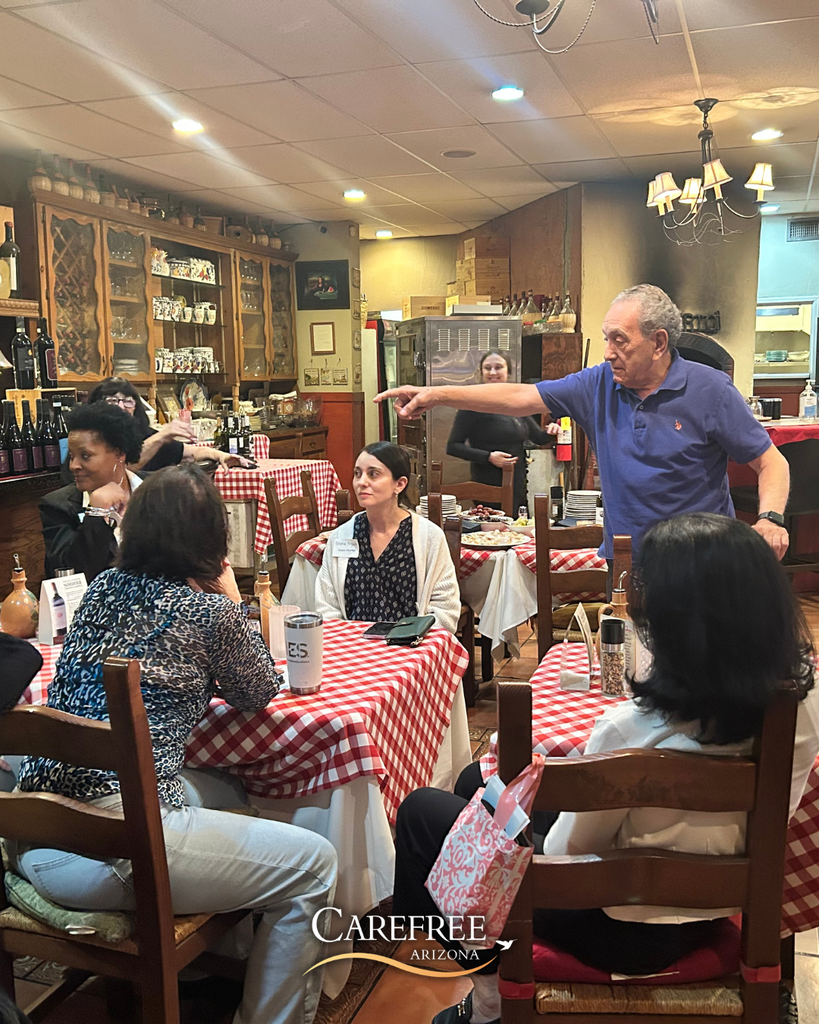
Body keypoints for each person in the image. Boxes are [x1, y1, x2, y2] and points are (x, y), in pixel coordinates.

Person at [393, 513, 819, 1024]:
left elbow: (566, 852)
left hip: (619, 932)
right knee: (474, 786)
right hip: (718, 906)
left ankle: (489, 995)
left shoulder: (629, 731)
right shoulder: (802, 706)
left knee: (421, 812)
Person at [16, 464, 338, 1024]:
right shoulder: (207, 611)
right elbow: (259, 690)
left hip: (35, 833)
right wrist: (231, 595)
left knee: (225, 787)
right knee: (314, 864)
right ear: (213, 539)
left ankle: (208, 960)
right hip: (108, 853)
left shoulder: (101, 593)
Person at [377, 284, 790, 562]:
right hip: (627, 559)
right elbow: (521, 396)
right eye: (606, 338)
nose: (608, 351)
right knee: (633, 673)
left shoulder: (711, 390)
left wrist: (770, 518)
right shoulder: (597, 384)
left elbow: (772, 462)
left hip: (703, 561)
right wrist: (436, 394)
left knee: (703, 678)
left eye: (620, 340)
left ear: (659, 342)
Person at [315, 441, 460, 632]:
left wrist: (414, 638)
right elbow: (327, 605)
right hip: (354, 646)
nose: (361, 482)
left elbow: (445, 606)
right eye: (358, 473)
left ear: (399, 484)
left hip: (410, 645)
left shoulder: (429, 536)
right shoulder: (342, 536)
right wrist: (347, 640)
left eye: (373, 474)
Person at [40, 402, 145, 581]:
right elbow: (69, 575)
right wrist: (96, 513)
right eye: (71, 456)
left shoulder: (155, 490)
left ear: (119, 453)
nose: (74, 466)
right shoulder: (57, 506)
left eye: (85, 456)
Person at [446, 350, 558, 514]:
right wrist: (489, 457)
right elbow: (453, 446)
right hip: (487, 482)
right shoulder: (472, 405)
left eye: (498, 367)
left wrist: (552, 430)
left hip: (517, 481)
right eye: (487, 368)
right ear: (481, 372)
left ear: (508, 372)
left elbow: (539, 438)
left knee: (514, 529)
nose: (492, 372)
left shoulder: (515, 404)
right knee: (491, 531)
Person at [86, 376, 251, 472]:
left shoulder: (146, 435)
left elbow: (191, 452)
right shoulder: (89, 439)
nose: (121, 407)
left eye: (128, 401)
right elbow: (121, 469)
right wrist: (162, 435)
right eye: (112, 400)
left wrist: (220, 455)